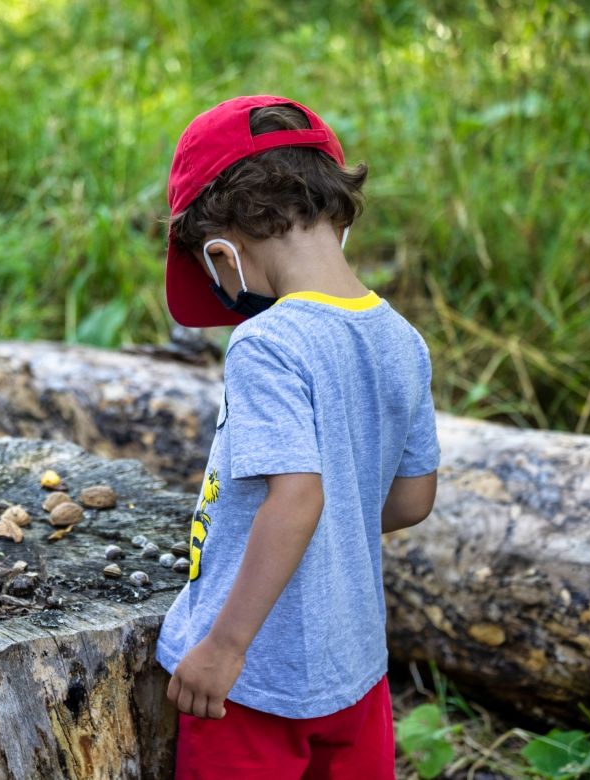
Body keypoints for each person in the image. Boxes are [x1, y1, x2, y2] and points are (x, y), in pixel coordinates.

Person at [155, 95, 441, 779]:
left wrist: (225, 645)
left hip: (257, 681)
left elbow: (297, 499)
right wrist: (337, 526)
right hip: (357, 673)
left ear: (222, 248)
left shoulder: (268, 342)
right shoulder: (402, 339)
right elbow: (412, 501)